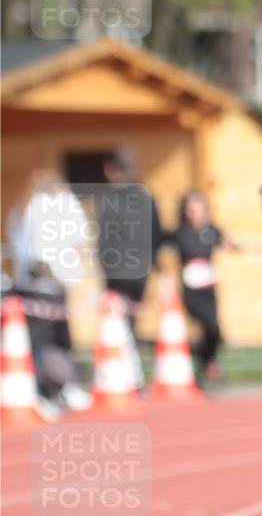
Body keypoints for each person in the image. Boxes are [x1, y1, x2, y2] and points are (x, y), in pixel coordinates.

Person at [7, 170, 92, 413]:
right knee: (44, 341)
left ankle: (60, 387)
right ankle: (46, 391)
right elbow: (38, 251)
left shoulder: (27, 209)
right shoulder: (35, 209)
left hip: (46, 285)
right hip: (41, 286)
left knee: (55, 340)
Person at [97, 147, 164, 387]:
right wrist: (152, 263)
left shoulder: (109, 197)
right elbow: (156, 232)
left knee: (118, 325)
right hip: (139, 270)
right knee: (128, 324)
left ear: (111, 169)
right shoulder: (145, 194)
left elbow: (104, 238)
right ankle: (129, 375)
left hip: (118, 271)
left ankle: (127, 377)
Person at [165, 190, 238, 384]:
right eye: (190, 210)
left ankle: (207, 361)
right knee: (202, 326)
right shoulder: (179, 234)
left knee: (214, 330)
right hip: (190, 291)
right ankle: (205, 363)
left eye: (198, 210)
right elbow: (163, 250)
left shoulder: (211, 231)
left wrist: (232, 243)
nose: (194, 215)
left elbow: (228, 241)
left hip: (208, 289)